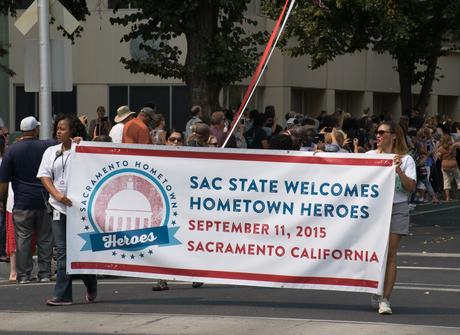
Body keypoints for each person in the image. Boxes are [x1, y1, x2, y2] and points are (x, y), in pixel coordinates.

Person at [38, 114, 98, 306]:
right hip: (57, 207)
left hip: (80, 210)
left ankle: (90, 281)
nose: (58, 131)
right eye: (57, 128)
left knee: (78, 251)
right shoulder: (50, 152)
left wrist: (81, 147)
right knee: (63, 251)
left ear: (73, 131)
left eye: (63, 128)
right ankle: (63, 295)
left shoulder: (81, 149)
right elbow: (45, 176)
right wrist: (56, 195)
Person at [367, 121, 416, 315]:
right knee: (374, 252)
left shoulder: (405, 160)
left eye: (381, 132)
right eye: (376, 132)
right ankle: (375, 288)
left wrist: (398, 170)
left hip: (397, 207)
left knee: (391, 253)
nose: (377, 135)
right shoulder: (369, 156)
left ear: (394, 135)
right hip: (375, 210)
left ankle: (385, 298)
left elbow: (411, 187)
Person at [0, 116, 55, 284]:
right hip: (43, 200)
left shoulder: (12, 150)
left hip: (22, 203)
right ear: (35, 130)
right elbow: (62, 145)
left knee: (23, 239)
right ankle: (45, 273)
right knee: (45, 238)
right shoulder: (46, 146)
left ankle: (23, 275)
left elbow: (3, 181)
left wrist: (1, 200)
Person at [437, 133, 460, 201]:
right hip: (453, 164)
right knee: (458, 179)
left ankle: (448, 197)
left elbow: (439, 157)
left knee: (446, 180)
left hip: (444, 165)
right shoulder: (453, 146)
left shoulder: (440, 148)